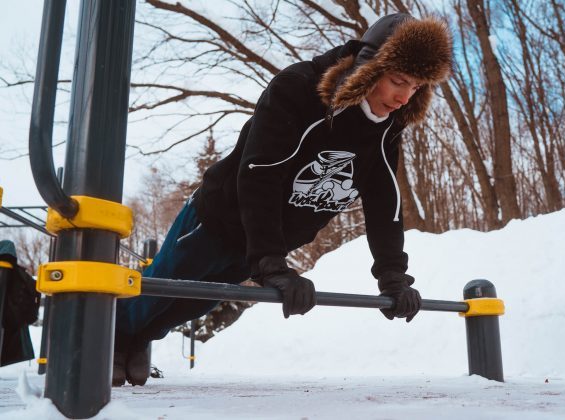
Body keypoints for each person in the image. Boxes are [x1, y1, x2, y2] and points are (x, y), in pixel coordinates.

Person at [114, 13, 453, 386]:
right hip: (218, 218)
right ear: (370, 67)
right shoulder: (298, 90)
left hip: (264, 243)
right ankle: (109, 339)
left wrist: (392, 275)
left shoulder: (388, 126)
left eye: (417, 87)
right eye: (399, 81)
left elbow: (384, 201)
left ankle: (139, 339)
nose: (405, 97)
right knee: (161, 290)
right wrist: (270, 262)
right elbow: (261, 174)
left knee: (196, 303)